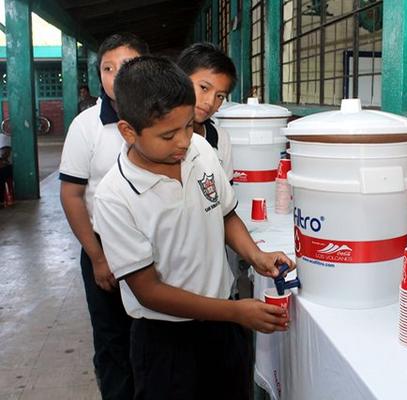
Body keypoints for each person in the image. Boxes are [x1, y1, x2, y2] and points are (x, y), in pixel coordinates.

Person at [93, 56, 294, 400]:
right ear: (128, 131)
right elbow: (148, 291)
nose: (183, 141)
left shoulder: (199, 149)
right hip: (166, 343)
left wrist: (255, 255)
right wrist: (236, 313)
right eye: (168, 134)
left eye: (188, 126)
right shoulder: (115, 197)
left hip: (224, 328)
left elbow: (226, 214)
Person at [59, 32, 149, 399]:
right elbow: (72, 194)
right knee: (114, 341)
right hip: (105, 251)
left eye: (125, 66)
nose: (116, 76)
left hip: (156, 245)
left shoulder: (162, 116)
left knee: (154, 338)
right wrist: (96, 257)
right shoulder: (87, 126)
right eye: (107, 69)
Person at [177, 42, 234, 182]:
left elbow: (226, 195)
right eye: (204, 87)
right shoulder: (156, 135)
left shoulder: (221, 138)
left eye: (220, 96)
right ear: (180, 79)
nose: (210, 102)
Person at [0, 133, 13, 207]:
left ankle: (1, 200)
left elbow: (5, 153)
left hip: (7, 167)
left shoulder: (3, 138)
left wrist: (2, 160)